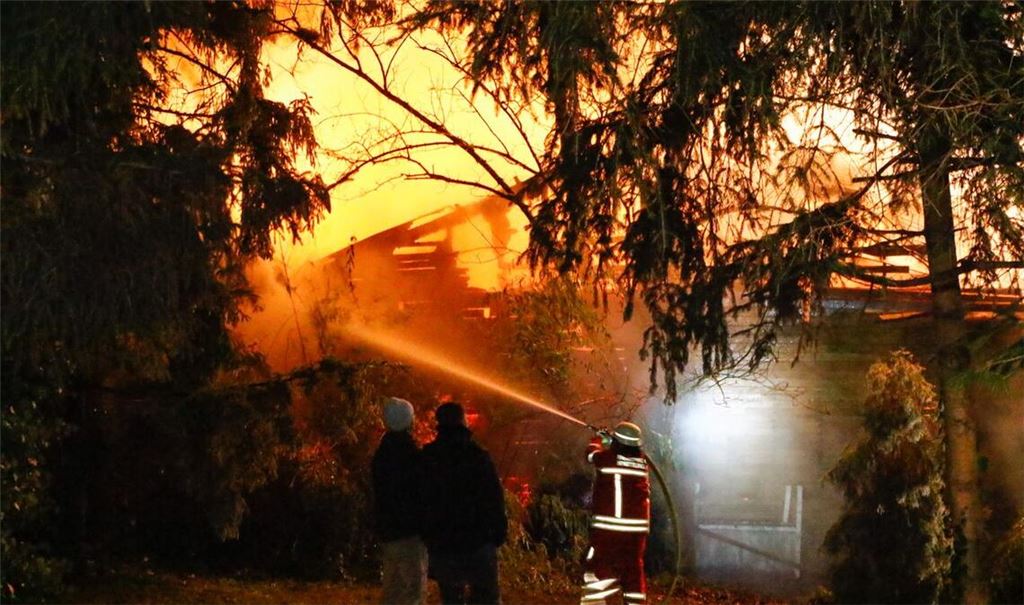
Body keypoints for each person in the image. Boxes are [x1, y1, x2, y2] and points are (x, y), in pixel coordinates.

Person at [420, 402, 507, 605]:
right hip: (478, 540)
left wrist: (428, 534)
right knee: (487, 597)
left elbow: (422, 499)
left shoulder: (428, 458)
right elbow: (494, 496)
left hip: (444, 543)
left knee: (451, 599)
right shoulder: (478, 456)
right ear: (463, 423)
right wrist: (499, 530)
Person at [580, 421, 651, 605]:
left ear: (617, 442)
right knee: (633, 572)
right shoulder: (642, 463)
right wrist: (609, 441)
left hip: (610, 528)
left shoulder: (608, 459)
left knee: (595, 565)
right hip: (637, 534)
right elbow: (621, 455)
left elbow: (590, 456)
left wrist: (597, 441)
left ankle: (596, 602)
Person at [371, 397, 427, 605]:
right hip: (410, 532)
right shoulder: (411, 454)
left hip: (389, 530)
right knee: (413, 592)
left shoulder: (382, 453)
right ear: (409, 422)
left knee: (393, 590)